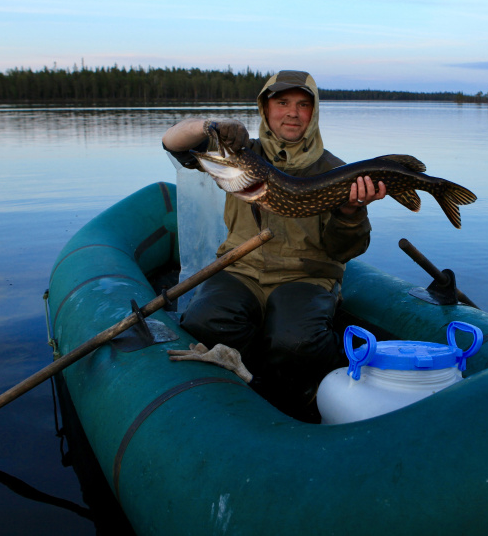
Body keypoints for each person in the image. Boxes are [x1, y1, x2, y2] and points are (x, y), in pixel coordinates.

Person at [161, 70, 387, 418]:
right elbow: (172, 141)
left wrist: (351, 210)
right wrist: (211, 127)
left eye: (302, 105)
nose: (292, 113)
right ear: (265, 110)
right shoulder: (239, 153)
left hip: (306, 276)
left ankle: (304, 391)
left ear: (314, 114)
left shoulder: (336, 171)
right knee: (204, 323)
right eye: (282, 103)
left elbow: (345, 250)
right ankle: (252, 381)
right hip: (240, 270)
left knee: (296, 342)